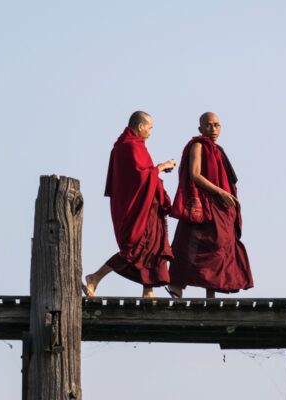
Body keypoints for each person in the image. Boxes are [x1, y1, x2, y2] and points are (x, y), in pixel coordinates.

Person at [83, 111, 177, 298]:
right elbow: (140, 177)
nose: (150, 132)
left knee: (152, 249)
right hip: (139, 208)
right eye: (149, 128)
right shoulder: (129, 146)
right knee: (134, 249)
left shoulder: (132, 145)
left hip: (149, 205)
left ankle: (148, 291)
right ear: (141, 126)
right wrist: (162, 167)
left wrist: (155, 172)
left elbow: (144, 174)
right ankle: (95, 277)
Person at [167, 112, 253, 298]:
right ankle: (176, 285)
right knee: (188, 244)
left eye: (216, 125)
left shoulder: (218, 150)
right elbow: (195, 174)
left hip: (219, 208)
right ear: (200, 129)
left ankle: (210, 294)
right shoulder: (198, 145)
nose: (213, 129)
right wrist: (221, 192)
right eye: (208, 125)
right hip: (203, 206)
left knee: (218, 248)